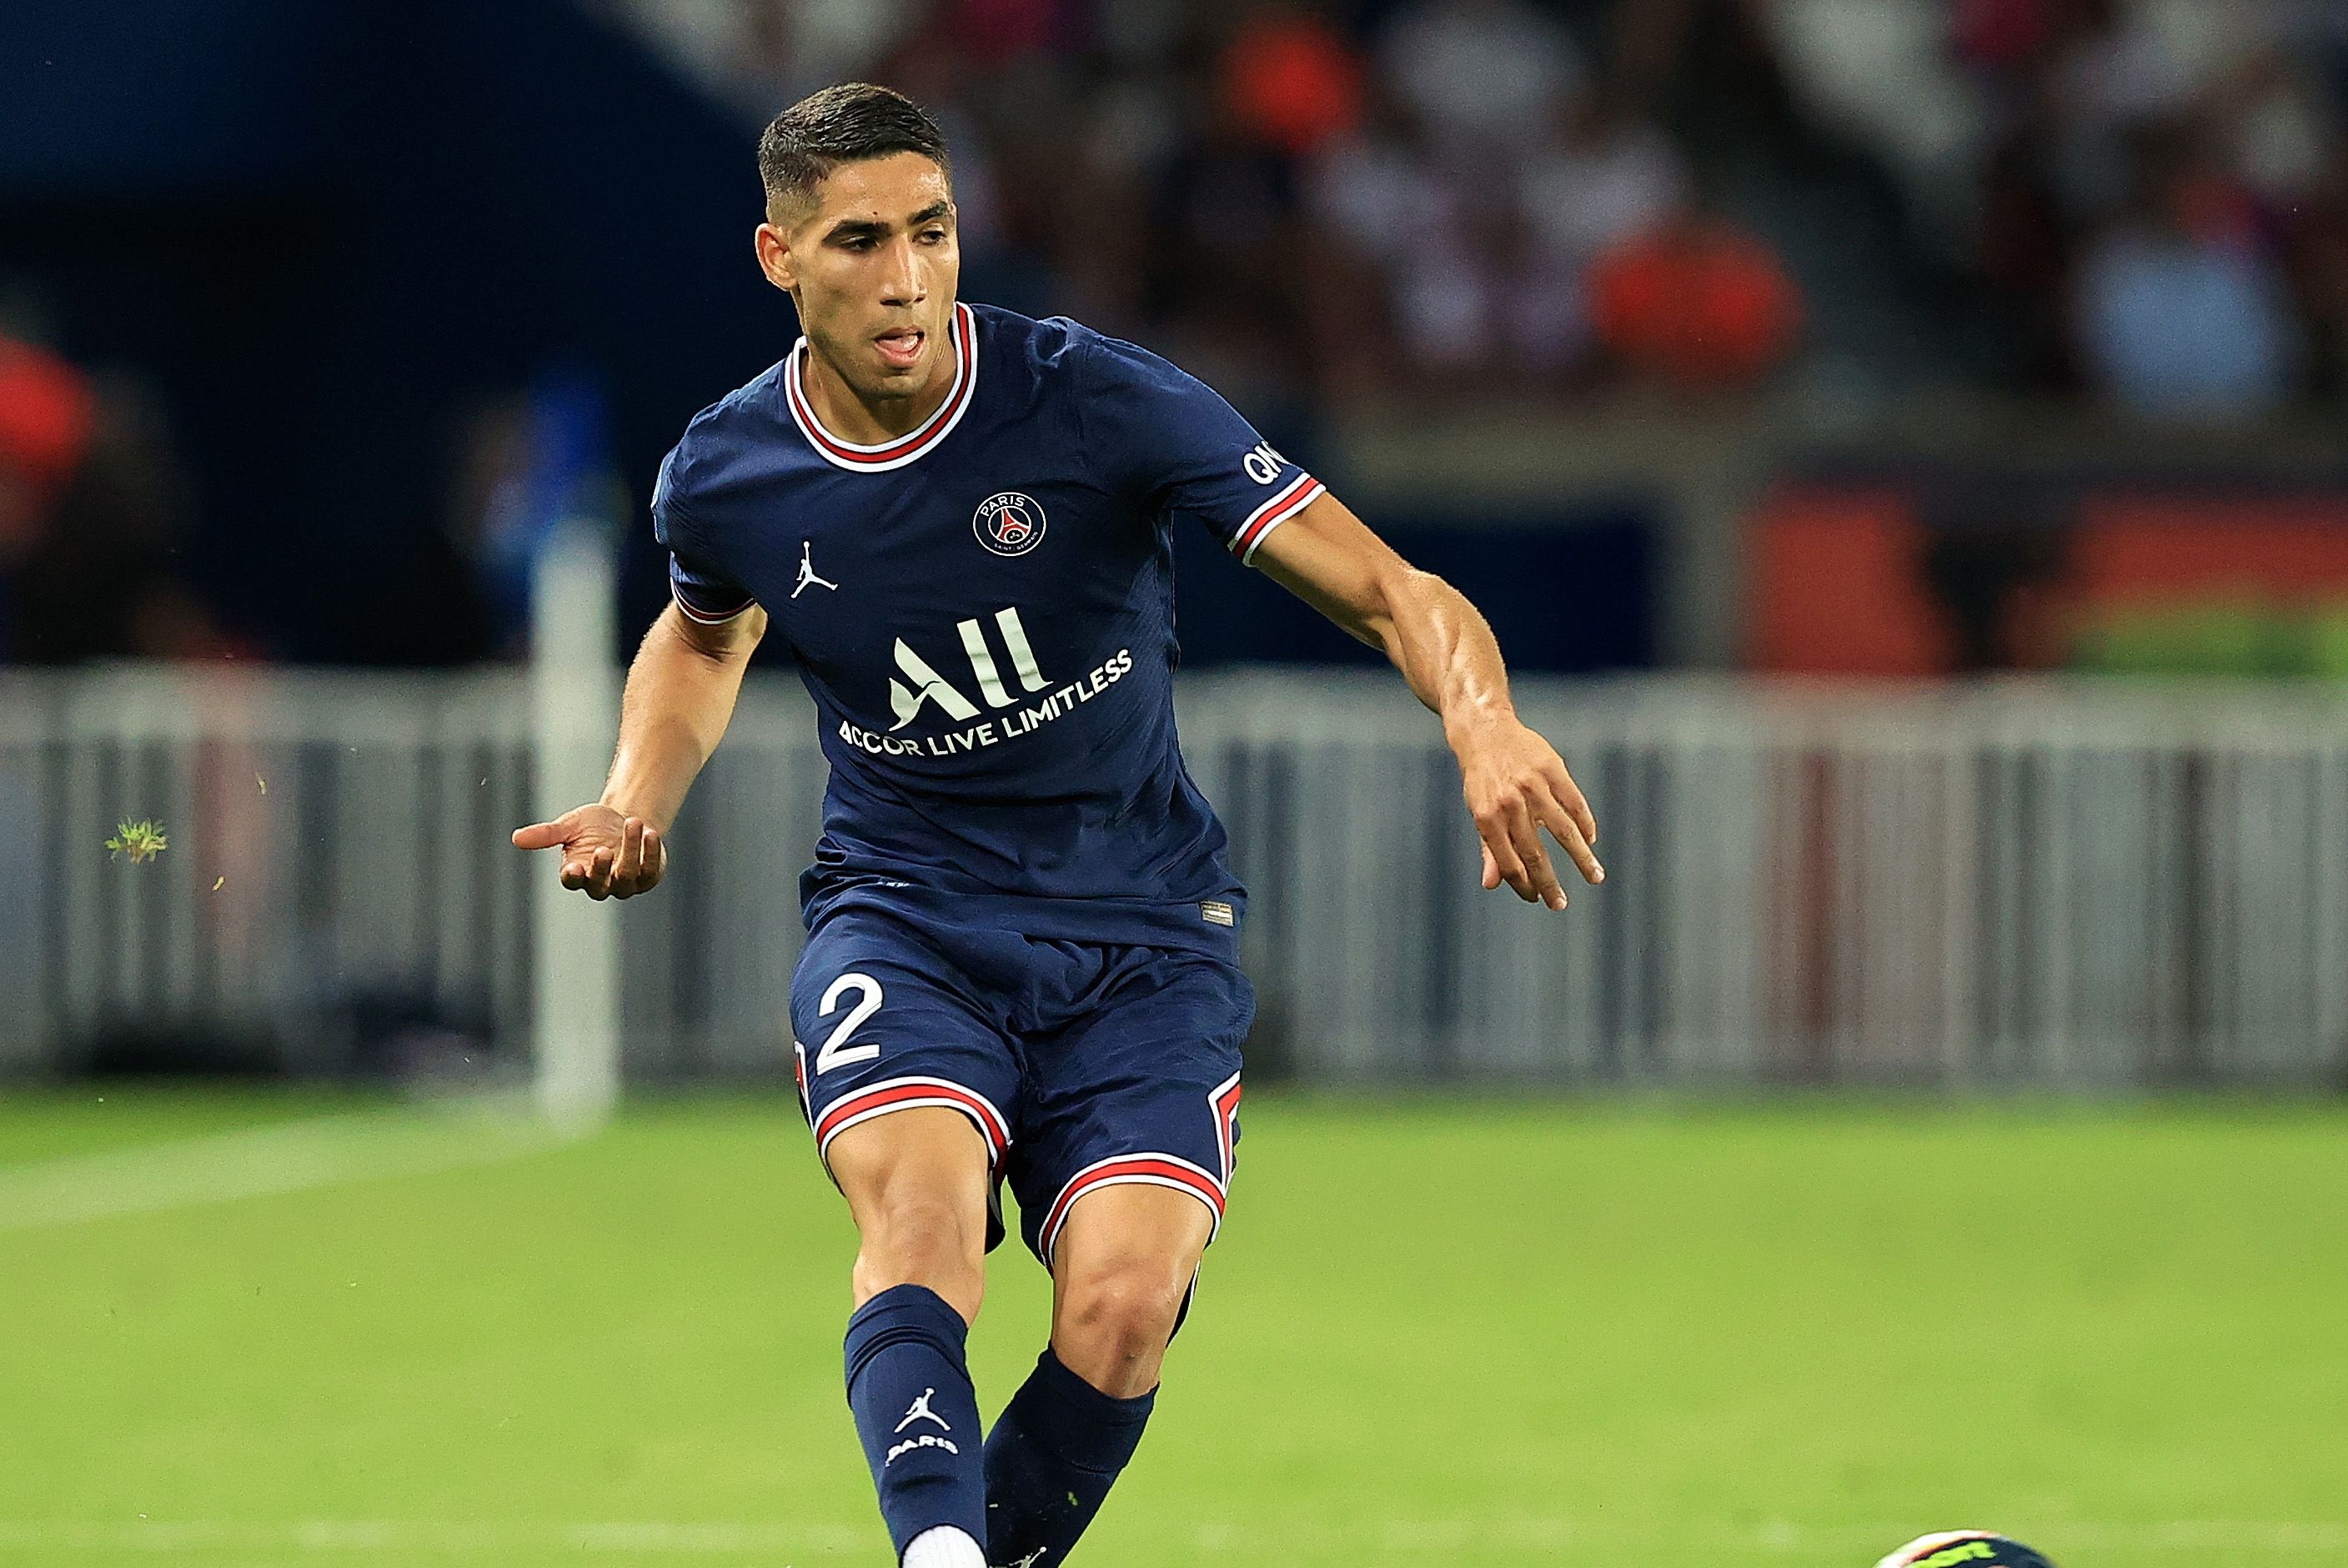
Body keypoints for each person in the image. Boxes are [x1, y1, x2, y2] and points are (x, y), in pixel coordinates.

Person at [512, 83, 1602, 1568]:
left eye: (932, 232)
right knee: (922, 1225)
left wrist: (1480, 720)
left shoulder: (1095, 399)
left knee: (1124, 1303)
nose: (905, 278)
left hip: (1145, 931)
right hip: (907, 918)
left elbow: (1394, 589)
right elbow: (705, 635)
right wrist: (640, 791)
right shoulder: (726, 472)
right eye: (858, 242)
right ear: (779, 258)